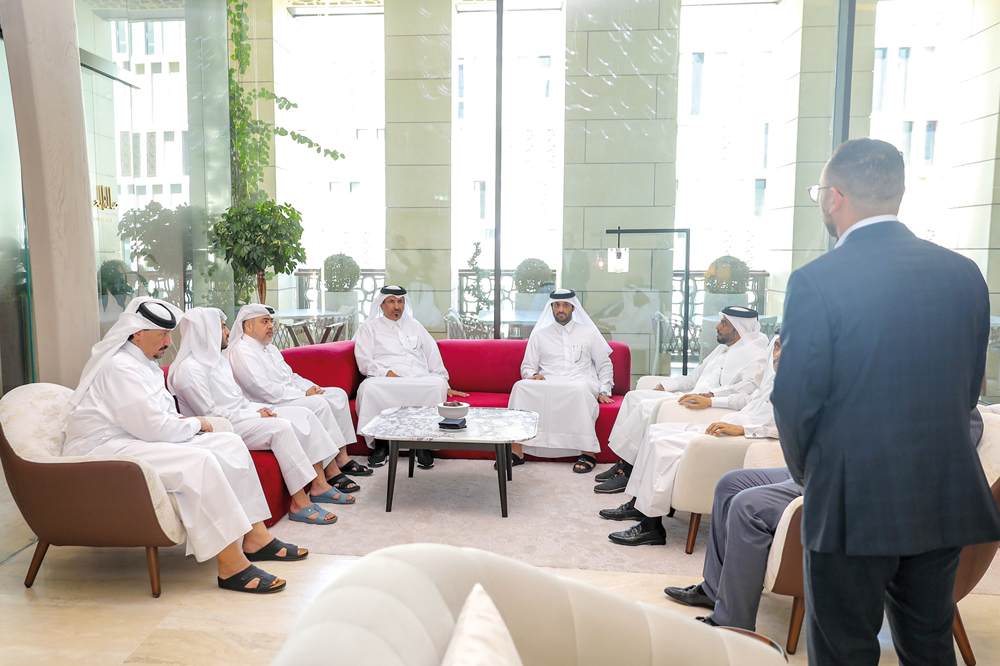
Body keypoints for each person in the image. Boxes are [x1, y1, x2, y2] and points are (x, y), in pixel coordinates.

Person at [772, 138, 1000, 665]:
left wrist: (815, 474)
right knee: (927, 644)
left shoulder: (816, 281)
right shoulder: (964, 274)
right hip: (941, 492)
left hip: (852, 499)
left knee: (843, 651)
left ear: (834, 197)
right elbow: (969, 391)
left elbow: (795, 401)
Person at [664, 409, 986, 631]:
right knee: (730, 484)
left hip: (851, 484)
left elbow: (945, 452)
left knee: (749, 505)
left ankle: (733, 623)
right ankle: (713, 589)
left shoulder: (952, 395)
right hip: (821, 467)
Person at [63, 298, 300, 594]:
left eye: (168, 333)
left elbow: (160, 421)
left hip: (133, 438)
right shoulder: (120, 367)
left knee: (230, 443)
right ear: (137, 333)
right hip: (103, 449)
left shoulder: (143, 363)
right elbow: (155, 427)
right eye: (162, 334)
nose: (168, 341)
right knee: (200, 461)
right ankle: (231, 565)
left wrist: (196, 426)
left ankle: (256, 537)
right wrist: (198, 424)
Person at [168, 308, 353, 526]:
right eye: (222, 327)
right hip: (221, 427)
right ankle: (299, 503)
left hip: (244, 415)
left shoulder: (218, 361)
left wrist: (257, 410)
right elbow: (210, 415)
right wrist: (254, 413)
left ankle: (320, 484)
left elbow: (240, 399)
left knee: (305, 414)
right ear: (205, 332)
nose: (228, 331)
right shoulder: (189, 371)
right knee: (280, 428)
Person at [603, 336, 780, 546]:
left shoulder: (798, 384)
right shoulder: (774, 377)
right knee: (655, 432)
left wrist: (742, 428)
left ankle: (651, 527)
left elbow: (786, 428)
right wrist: (711, 400)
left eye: (785, 348)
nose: (777, 354)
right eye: (777, 346)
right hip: (727, 426)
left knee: (663, 445)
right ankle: (637, 504)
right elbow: (747, 399)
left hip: (742, 437)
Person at [597, 307, 768, 493]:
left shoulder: (756, 357)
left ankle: (627, 471)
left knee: (646, 408)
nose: (718, 326)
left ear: (739, 328)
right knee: (633, 396)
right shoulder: (722, 348)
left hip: (710, 407)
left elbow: (746, 391)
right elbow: (694, 377)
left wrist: (711, 396)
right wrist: (667, 385)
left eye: (724, 323)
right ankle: (624, 460)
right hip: (691, 396)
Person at [225, 303, 369, 493]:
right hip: (270, 402)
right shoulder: (241, 351)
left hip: (290, 394)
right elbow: (262, 389)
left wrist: (311, 387)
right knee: (318, 404)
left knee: (337, 394)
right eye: (265, 322)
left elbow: (292, 376)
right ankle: (330, 469)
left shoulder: (270, 348)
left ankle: (342, 456)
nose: (271, 327)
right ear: (248, 326)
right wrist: (303, 394)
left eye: (271, 322)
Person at [353, 285, 468, 469]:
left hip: (418, 378)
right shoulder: (369, 328)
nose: (396, 306)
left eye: (400, 301)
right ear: (381, 305)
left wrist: (443, 382)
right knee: (368, 388)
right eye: (391, 301)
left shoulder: (415, 326)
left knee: (436, 385)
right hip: (385, 378)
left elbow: (433, 355)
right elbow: (364, 361)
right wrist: (386, 373)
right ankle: (381, 444)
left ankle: (423, 444)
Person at [506, 289, 614, 473]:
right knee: (520, 387)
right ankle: (517, 452)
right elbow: (527, 367)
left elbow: (604, 365)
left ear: (573, 307)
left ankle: (588, 453)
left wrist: (604, 390)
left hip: (581, 381)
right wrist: (532, 376)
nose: (561, 309)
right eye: (557, 305)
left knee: (578, 389)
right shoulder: (540, 335)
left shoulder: (589, 333)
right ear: (552, 308)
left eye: (565, 305)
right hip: (548, 381)